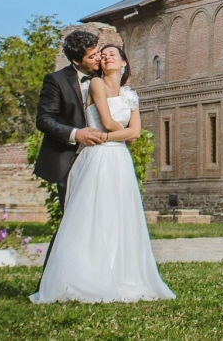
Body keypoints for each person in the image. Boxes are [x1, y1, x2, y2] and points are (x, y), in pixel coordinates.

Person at [30, 44, 174, 303]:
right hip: (98, 155)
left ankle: (119, 275)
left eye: (112, 55)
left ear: (124, 64)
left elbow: (136, 133)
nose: (106, 58)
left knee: (119, 215)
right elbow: (110, 123)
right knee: (92, 215)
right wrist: (120, 134)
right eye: (102, 55)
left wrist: (112, 136)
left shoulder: (130, 94)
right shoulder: (96, 84)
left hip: (118, 158)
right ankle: (84, 277)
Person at [32, 28, 106, 283]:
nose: (99, 58)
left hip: (104, 160)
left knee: (102, 221)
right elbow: (44, 120)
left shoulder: (109, 76)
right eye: (92, 56)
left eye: (98, 52)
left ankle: (96, 278)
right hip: (70, 159)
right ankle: (53, 282)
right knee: (72, 222)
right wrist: (76, 134)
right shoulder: (56, 80)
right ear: (76, 60)